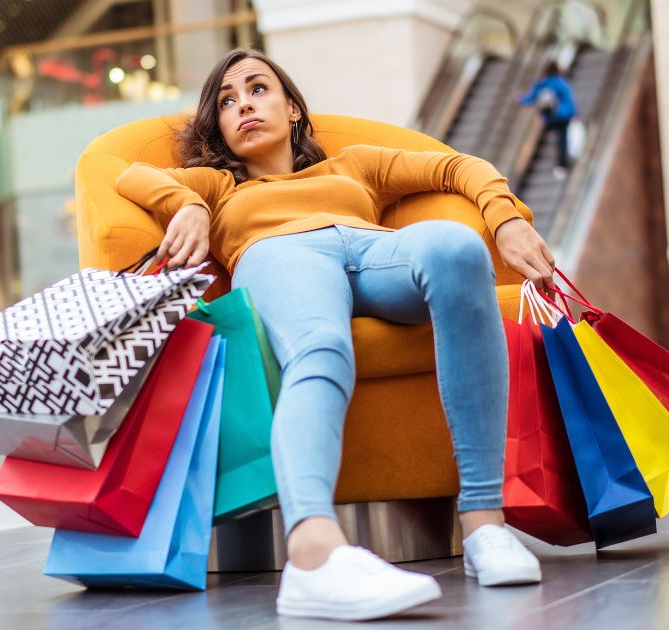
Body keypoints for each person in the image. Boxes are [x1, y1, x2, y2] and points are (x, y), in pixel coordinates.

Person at [116, 49, 555, 621]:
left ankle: (483, 526)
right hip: (279, 255)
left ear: (293, 108)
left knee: (456, 248)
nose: (244, 103)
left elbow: (456, 167)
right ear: (220, 127)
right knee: (322, 348)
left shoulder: (354, 166)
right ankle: (314, 556)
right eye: (227, 101)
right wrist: (189, 205)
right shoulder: (218, 185)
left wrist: (505, 217)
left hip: (371, 250)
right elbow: (130, 173)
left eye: (258, 89)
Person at [518, 61, 579, 179]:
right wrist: (574, 114)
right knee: (562, 141)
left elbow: (529, 99)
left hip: (549, 118)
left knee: (552, 137)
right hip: (562, 116)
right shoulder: (560, 83)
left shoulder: (540, 85)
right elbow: (568, 99)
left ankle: (539, 160)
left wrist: (520, 98)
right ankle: (562, 165)